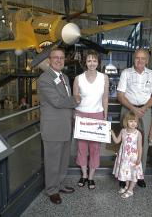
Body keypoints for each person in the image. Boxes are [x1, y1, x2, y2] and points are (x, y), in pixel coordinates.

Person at [38, 48, 80, 205]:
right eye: (55, 57)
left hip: (65, 126)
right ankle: (51, 190)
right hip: (52, 128)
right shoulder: (44, 78)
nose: (59, 60)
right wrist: (75, 99)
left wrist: (73, 109)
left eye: (62, 58)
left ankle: (59, 184)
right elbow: (57, 101)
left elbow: (65, 101)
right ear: (49, 60)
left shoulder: (65, 77)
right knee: (52, 161)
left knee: (62, 160)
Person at [117, 48, 152, 188]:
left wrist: (144, 108)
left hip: (145, 110)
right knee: (125, 142)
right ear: (133, 59)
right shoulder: (126, 73)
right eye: (137, 58)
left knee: (144, 143)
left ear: (147, 60)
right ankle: (123, 175)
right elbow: (120, 96)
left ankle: (139, 175)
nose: (140, 60)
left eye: (143, 58)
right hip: (129, 110)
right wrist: (134, 109)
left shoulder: (151, 74)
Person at [73, 50, 109, 190]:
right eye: (89, 60)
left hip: (97, 114)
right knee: (81, 147)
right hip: (81, 115)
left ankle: (91, 177)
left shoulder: (104, 78)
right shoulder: (78, 78)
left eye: (94, 60)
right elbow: (75, 98)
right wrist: (74, 114)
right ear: (85, 62)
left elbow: (105, 98)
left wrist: (105, 116)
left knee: (95, 148)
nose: (92, 63)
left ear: (98, 62)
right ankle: (84, 174)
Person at [112, 112, 144, 198]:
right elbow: (117, 141)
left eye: (135, 121)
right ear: (126, 121)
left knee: (133, 174)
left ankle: (130, 190)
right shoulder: (123, 131)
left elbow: (140, 147)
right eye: (131, 121)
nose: (133, 123)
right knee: (126, 173)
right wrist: (111, 132)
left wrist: (139, 158)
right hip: (124, 158)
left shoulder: (138, 133)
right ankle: (126, 186)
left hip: (133, 158)